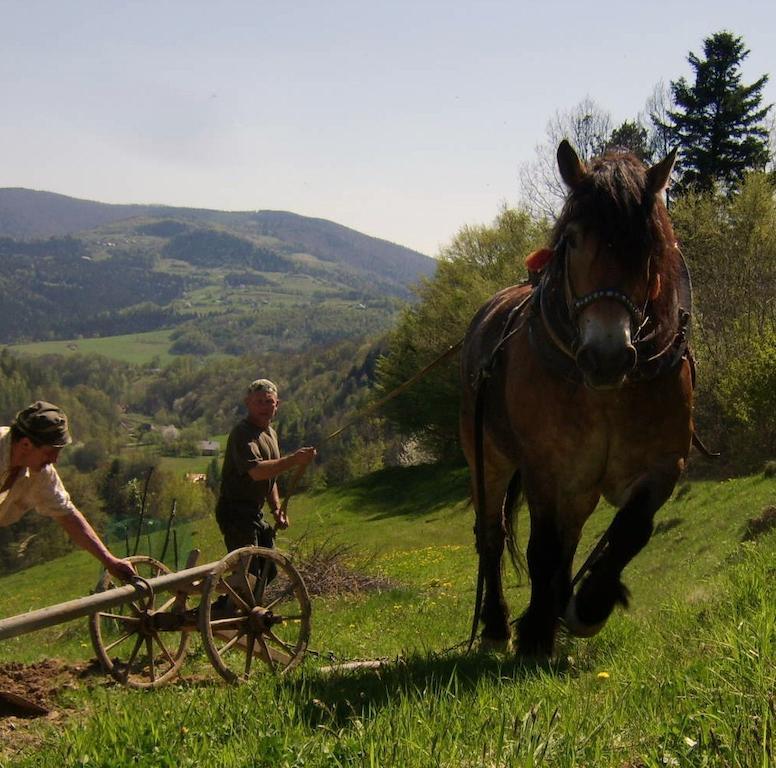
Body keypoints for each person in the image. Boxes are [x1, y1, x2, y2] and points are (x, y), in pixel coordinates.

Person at [0, 401, 136, 581]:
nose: (55, 459)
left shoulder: (40, 472)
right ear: (26, 444)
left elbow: (66, 514)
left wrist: (109, 561)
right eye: (50, 452)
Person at [215, 379, 316, 572]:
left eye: (269, 401)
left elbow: (271, 475)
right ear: (248, 403)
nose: (264, 406)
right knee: (249, 574)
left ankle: (244, 602)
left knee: (269, 572)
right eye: (258, 401)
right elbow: (258, 471)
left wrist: (276, 508)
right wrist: (294, 460)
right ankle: (226, 603)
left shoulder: (270, 433)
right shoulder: (242, 433)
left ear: (277, 404)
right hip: (236, 512)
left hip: (254, 512)